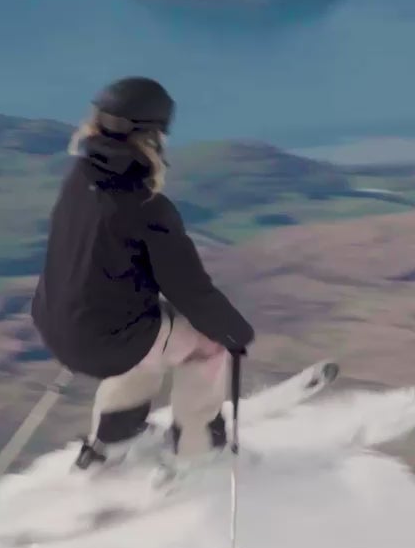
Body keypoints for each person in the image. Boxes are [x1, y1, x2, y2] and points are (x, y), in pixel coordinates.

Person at [29, 76, 257, 472]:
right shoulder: (147, 207)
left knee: (155, 335)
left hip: (58, 325)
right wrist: (234, 331)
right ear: (152, 136)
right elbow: (191, 291)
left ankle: (116, 436)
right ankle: (198, 450)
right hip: (104, 339)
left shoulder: (78, 177)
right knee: (205, 344)